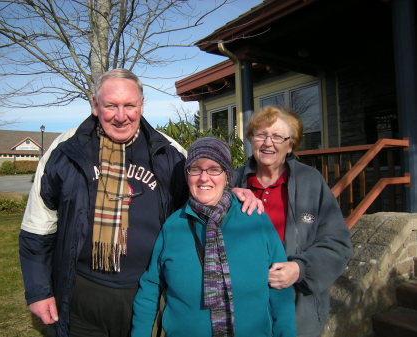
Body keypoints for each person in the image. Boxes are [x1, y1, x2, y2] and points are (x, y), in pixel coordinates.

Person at [19, 69, 263, 337]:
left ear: (142, 105)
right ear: (94, 104)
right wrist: (39, 291)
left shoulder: (168, 153)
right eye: (111, 105)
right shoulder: (64, 151)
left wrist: (233, 193)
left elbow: (203, 196)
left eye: (129, 106)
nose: (121, 116)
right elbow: (36, 230)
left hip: (146, 294)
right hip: (80, 294)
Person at [132, 137, 296, 337]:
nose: (203, 177)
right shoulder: (173, 226)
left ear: (227, 176)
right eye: (195, 169)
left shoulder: (255, 220)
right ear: (187, 176)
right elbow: (150, 287)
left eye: (214, 168)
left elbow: (281, 288)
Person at [233, 105, 353, 337]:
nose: (268, 143)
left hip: (298, 305)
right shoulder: (233, 181)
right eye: (261, 135)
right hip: (241, 305)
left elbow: (338, 243)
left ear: (290, 145)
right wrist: (228, 194)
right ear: (251, 140)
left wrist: (300, 268)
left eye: (278, 136)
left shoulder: (311, 181)